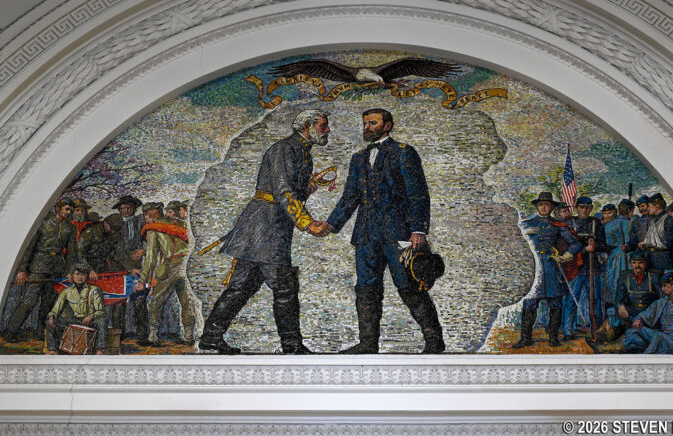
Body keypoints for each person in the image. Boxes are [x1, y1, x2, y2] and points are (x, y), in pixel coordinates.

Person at [198, 109, 331, 355]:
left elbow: (291, 190)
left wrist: (313, 185)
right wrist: (307, 222)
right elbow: (283, 192)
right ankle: (291, 346)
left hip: (268, 226)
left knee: (242, 286)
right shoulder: (284, 149)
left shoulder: (302, 151)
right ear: (306, 125)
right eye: (323, 125)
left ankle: (210, 338)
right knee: (284, 287)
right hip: (265, 227)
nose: (327, 130)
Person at [318, 108, 444, 354]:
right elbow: (350, 197)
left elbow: (418, 194)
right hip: (366, 235)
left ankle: (434, 341)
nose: (367, 127)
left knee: (410, 285)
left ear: (387, 126)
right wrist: (331, 224)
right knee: (366, 288)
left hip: (400, 235)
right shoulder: (358, 158)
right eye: (365, 123)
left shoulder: (404, 153)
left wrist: (418, 230)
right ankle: (367, 344)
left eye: (373, 123)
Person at [588, 273, 673, 354]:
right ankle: (604, 349)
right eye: (661, 286)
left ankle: (606, 349)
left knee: (657, 337)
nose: (662, 289)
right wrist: (639, 319)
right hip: (663, 336)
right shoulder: (661, 302)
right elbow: (646, 314)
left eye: (665, 286)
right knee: (634, 332)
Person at [5, 198, 78, 342]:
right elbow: (29, 248)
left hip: (56, 269)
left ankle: (40, 332)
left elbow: (71, 252)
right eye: (66, 209)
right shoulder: (43, 223)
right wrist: (22, 270)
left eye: (70, 210)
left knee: (48, 303)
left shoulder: (70, 228)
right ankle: (10, 332)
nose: (68, 212)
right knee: (29, 302)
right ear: (58, 208)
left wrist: (70, 271)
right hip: (38, 266)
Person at [515, 192, 581, 347]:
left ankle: (553, 337)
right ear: (537, 207)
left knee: (555, 303)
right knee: (529, 303)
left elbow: (575, 243)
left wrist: (565, 256)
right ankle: (525, 338)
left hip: (551, 267)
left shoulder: (557, 225)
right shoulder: (526, 224)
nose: (544, 207)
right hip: (532, 267)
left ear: (552, 207)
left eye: (547, 205)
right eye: (541, 205)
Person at [133, 202, 201, 346]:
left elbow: (151, 258)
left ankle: (153, 337)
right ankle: (189, 336)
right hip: (187, 265)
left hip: (170, 267)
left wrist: (142, 280)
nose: (146, 219)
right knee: (186, 302)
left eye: (146, 216)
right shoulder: (180, 224)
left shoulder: (153, 230)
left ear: (150, 214)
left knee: (156, 302)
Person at [105, 195, 148, 343]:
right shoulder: (115, 225)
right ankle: (119, 334)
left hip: (138, 263)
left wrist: (144, 250)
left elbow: (151, 240)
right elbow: (116, 250)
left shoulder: (141, 222)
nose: (126, 210)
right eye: (123, 208)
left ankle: (142, 334)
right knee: (119, 302)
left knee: (139, 299)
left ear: (135, 208)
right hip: (119, 265)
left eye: (129, 207)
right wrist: (127, 267)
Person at [563, 196, 607, 339]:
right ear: (577, 208)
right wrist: (584, 249)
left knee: (595, 302)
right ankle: (568, 330)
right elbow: (565, 246)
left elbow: (603, 245)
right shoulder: (570, 223)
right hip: (575, 268)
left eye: (588, 207)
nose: (585, 210)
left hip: (592, 268)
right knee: (571, 300)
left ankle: (596, 330)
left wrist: (594, 247)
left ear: (591, 208)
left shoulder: (596, 223)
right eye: (582, 207)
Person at [45, 263, 108, 355]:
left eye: (82, 274)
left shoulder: (94, 290)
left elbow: (101, 311)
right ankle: (52, 349)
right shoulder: (66, 292)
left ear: (86, 276)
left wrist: (91, 316)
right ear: (72, 276)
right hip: (75, 320)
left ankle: (99, 350)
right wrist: (51, 316)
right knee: (51, 321)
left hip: (90, 321)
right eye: (77, 274)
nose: (80, 277)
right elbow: (55, 309)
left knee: (102, 321)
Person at [598, 250, 660, 342]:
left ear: (646, 264)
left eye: (640, 263)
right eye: (634, 263)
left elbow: (661, 300)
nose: (637, 266)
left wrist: (647, 316)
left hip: (648, 316)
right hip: (630, 315)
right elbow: (618, 299)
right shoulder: (624, 277)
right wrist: (620, 306)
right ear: (630, 264)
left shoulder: (654, 277)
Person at [601, 202, 631, 322]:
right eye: (605, 213)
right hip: (612, 256)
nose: (607, 215)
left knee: (618, 283)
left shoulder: (620, 223)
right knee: (610, 285)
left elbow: (627, 241)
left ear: (615, 212)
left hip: (621, 257)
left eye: (610, 213)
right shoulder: (605, 225)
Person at [640, 193, 673, 274]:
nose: (647, 208)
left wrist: (646, 243)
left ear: (657, 206)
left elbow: (667, 242)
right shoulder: (652, 221)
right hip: (651, 259)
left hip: (664, 260)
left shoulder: (669, 220)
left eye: (649, 206)